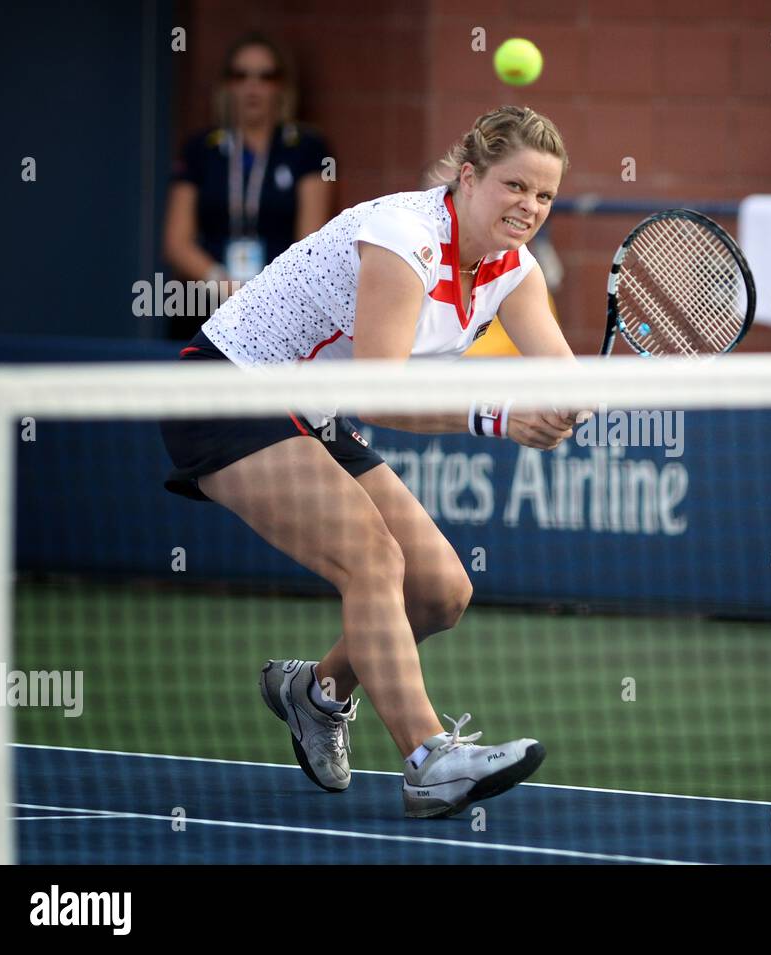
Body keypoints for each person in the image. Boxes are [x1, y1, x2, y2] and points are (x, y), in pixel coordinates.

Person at [160, 105, 580, 819]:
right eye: (515, 187)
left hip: (312, 408)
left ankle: (316, 692)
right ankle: (428, 759)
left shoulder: (515, 270)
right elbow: (378, 391)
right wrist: (502, 416)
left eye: (544, 195)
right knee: (373, 558)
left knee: (442, 590)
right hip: (230, 385)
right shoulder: (403, 235)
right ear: (470, 178)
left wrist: (576, 403)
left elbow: (565, 379)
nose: (529, 207)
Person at [162, 33, 332, 341]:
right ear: (227, 85)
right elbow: (177, 242)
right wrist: (223, 284)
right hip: (205, 302)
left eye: (266, 77)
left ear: (281, 86)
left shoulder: (307, 148)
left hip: (280, 306)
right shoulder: (200, 148)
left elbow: (310, 243)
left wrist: (262, 293)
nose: (253, 87)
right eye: (241, 76)